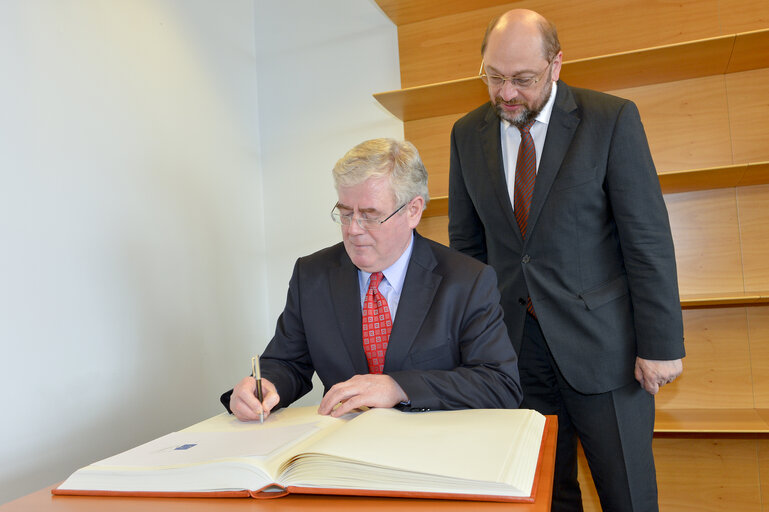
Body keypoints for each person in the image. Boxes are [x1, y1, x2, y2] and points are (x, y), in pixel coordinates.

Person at [448, 9, 685, 512]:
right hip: (513, 352)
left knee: (628, 495)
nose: (506, 93)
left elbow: (646, 239)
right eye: (494, 76)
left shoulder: (610, 119)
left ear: (557, 65)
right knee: (542, 496)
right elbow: (466, 248)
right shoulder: (466, 134)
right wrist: (470, 347)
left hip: (607, 351)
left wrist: (660, 344)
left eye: (523, 79)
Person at [222, 138, 522, 421]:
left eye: (370, 215)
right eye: (345, 214)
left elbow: (498, 383)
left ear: (413, 211)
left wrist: (399, 387)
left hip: (431, 452)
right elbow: (287, 363)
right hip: (344, 449)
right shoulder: (312, 275)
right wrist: (262, 386)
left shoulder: (466, 280)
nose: (353, 229)